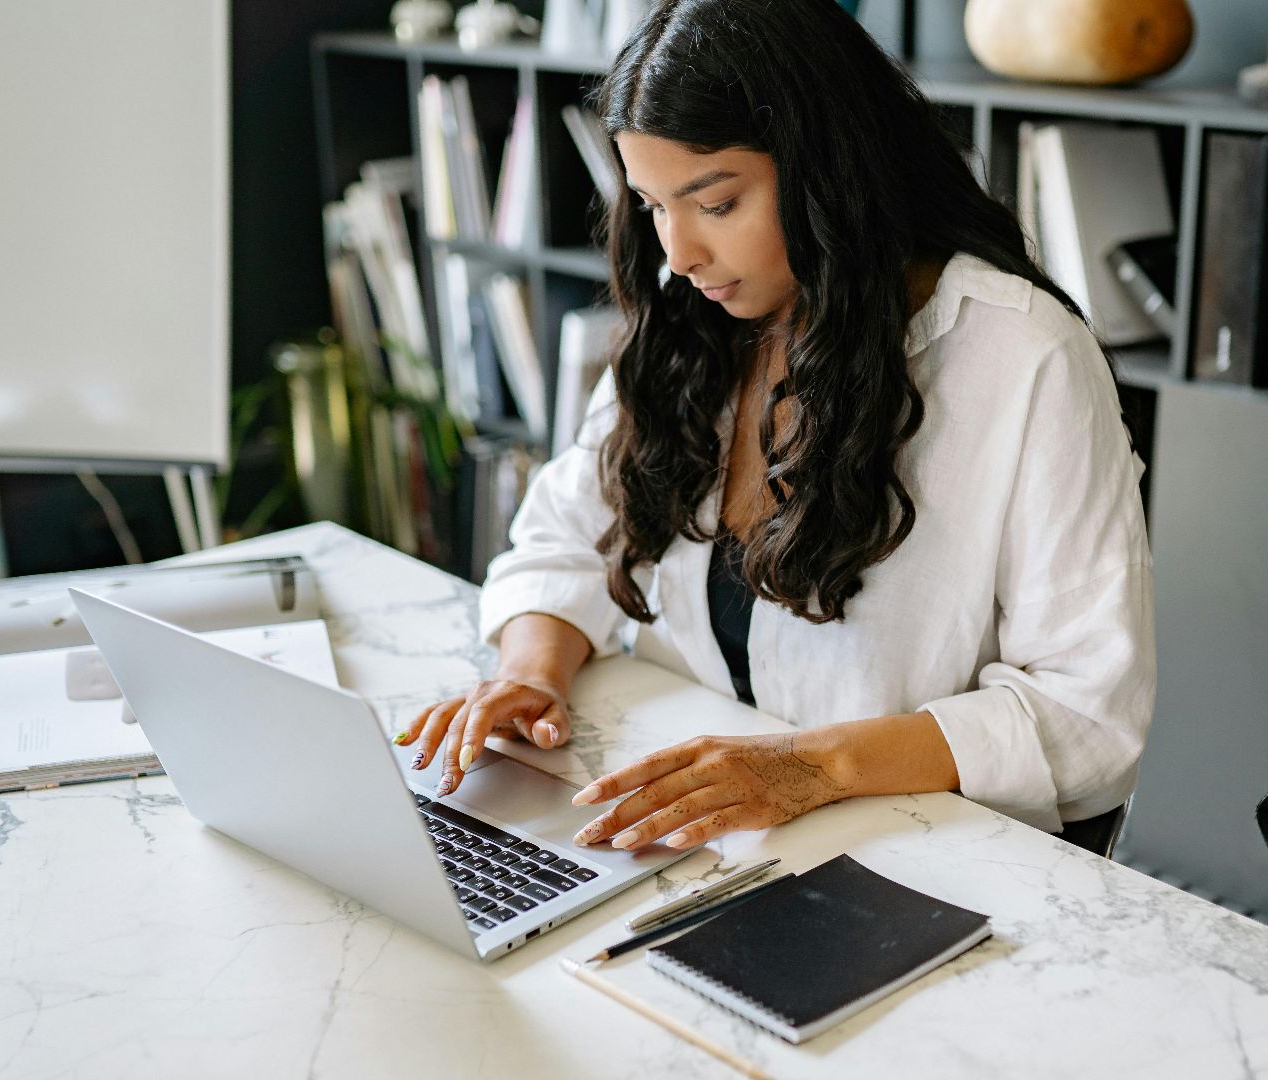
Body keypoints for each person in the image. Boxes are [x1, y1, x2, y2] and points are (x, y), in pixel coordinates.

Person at [394, 0, 1153, 852]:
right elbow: (565, 533)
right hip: (705, 834)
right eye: (651, 206)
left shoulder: (1021, 356)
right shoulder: (692, 321)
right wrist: (531, 672)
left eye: (715, 204)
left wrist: (813, 767)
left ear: (831, 170)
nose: (677, 254)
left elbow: (1087, 710)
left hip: (919, 856)